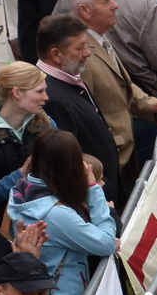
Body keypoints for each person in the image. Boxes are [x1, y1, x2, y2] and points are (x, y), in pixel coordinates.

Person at [56, 0, 157, 193]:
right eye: (106, 1)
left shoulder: (98, 38)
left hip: (121, 160)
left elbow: (119, 84)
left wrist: (152, 104)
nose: (115, 5)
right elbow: (88, 116)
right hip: (107, 169)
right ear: (84, 11)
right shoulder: (81, 55)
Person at [5, 131, 118, 295]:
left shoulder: (21, 192)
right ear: (71, 165)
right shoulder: (57, 215)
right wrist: (93, 188)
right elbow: (107, 243)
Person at [34, 16, 123, 203]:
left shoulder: (70, 78)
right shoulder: (53, 100)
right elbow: (71, 163)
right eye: (79, 47)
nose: (87, 53)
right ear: (56, 55)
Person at [0, 65, 54, 221]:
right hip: (3, 223)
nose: (46, 97)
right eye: (39, 91)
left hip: (47, 214)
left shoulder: (46, 124)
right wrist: (20, 175)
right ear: (17, 93)